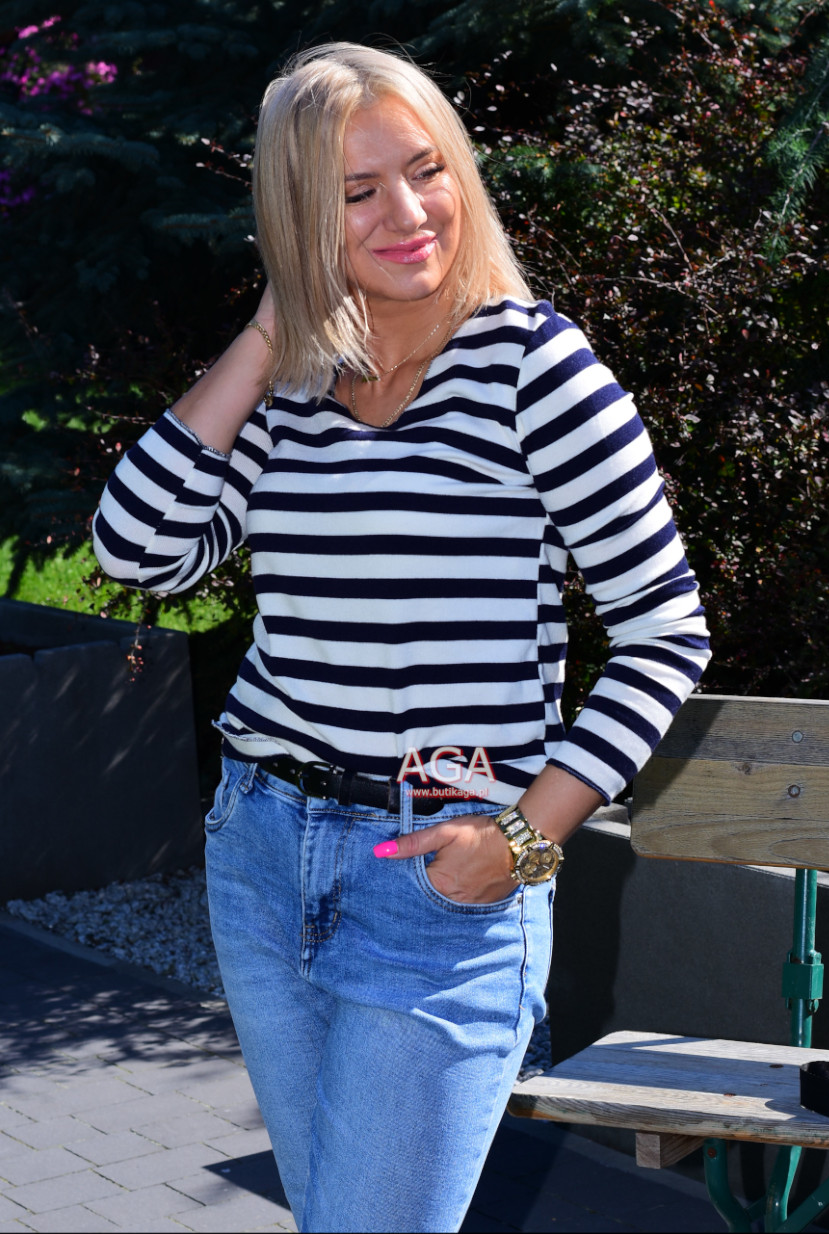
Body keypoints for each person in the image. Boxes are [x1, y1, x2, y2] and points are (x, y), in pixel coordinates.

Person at [93, 41, 710, 1234]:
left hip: (438, 882)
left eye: (426, 171)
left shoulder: (534, 367)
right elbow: (138, 549)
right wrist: (270, 333)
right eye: (357, 192)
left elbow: (664, 628)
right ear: (299, 217)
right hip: (262, 852)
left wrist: (524, 841)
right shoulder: (294, 386)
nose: (410, 213)